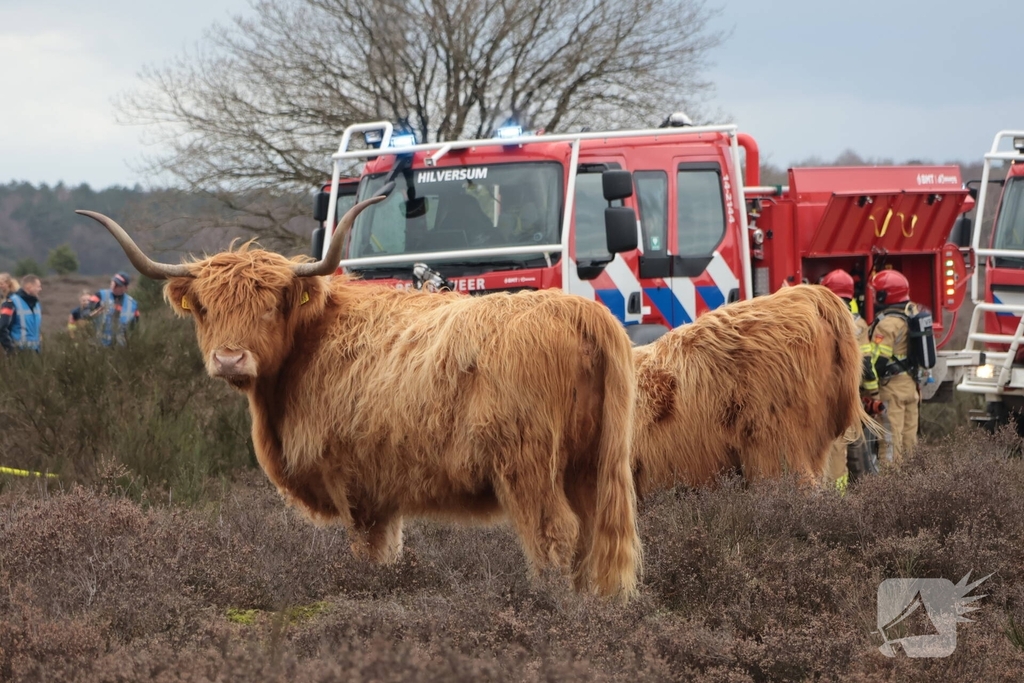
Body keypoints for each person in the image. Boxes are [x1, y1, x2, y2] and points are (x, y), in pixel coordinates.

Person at [820, 269, 880, 487]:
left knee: (832, 448)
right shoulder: (859, 323)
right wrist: (872, 392)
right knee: (850, 442)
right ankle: (846, 496)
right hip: (848, 394)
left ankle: (832, 497)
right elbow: (866, 364)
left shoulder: (817, 321)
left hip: (824, 394)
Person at [869, 269, 921, 465]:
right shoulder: (912, 314)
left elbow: (878, 362)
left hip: (892, 391)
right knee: (910, 442)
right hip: (910, 386)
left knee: (890, 442)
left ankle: (891, 490)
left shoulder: (887, 324)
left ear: (884, 295)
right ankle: (913, 487)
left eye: (876, 292)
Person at [88, 271, 140, 346]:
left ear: (125, 288)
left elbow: (135, 327)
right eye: (113, 282)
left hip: (120, 348)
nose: (114, 286)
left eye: (118, 284)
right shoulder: (100, 295)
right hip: (99, 345)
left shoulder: (133, 304)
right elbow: (86, 312)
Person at [0, 274, 43, 353]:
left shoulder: (36, 304)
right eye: (38, 286)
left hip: (35, 353)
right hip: (19, 353)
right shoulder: (10, 303)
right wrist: (11, 350)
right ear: (29, 287)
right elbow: (2, 328)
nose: (40, 289)